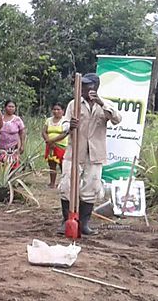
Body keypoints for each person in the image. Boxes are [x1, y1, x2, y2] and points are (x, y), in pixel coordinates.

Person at [58, 73, 121, 236]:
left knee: (90, 188)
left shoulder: (105, 104)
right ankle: (67, 221)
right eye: (82, 85)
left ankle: (84, 224)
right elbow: (64, 122)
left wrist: (101, 102)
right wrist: (69, 126)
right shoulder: (74, 104)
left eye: (87, 85)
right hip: (74, 152)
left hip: (95, 153)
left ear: (95, 87)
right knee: (67, 187)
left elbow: (117, 119)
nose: (83, 89)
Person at [42, 103, 69, 188]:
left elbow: (65, 133)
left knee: (62, 165)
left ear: (63, 111)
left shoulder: (65, 121)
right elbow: (44, 131)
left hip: (61, 145)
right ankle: (52, 183)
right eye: (54, 109)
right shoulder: (48, 120)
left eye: (58, 109)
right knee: (52, 164)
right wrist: (48, 140)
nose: (56, 111)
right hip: (50, 146)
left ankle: (63, 183)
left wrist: (52, 140)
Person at [0, 100, 26, 167]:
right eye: (9, 106)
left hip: (14, 147)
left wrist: (22, 145)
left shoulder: (17, 119)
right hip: (1, 147)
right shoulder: (0, 119)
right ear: (5, 107)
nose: (11, 108)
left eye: (13, 107)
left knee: (13, 166)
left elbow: (22, 132)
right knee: (1, 166)